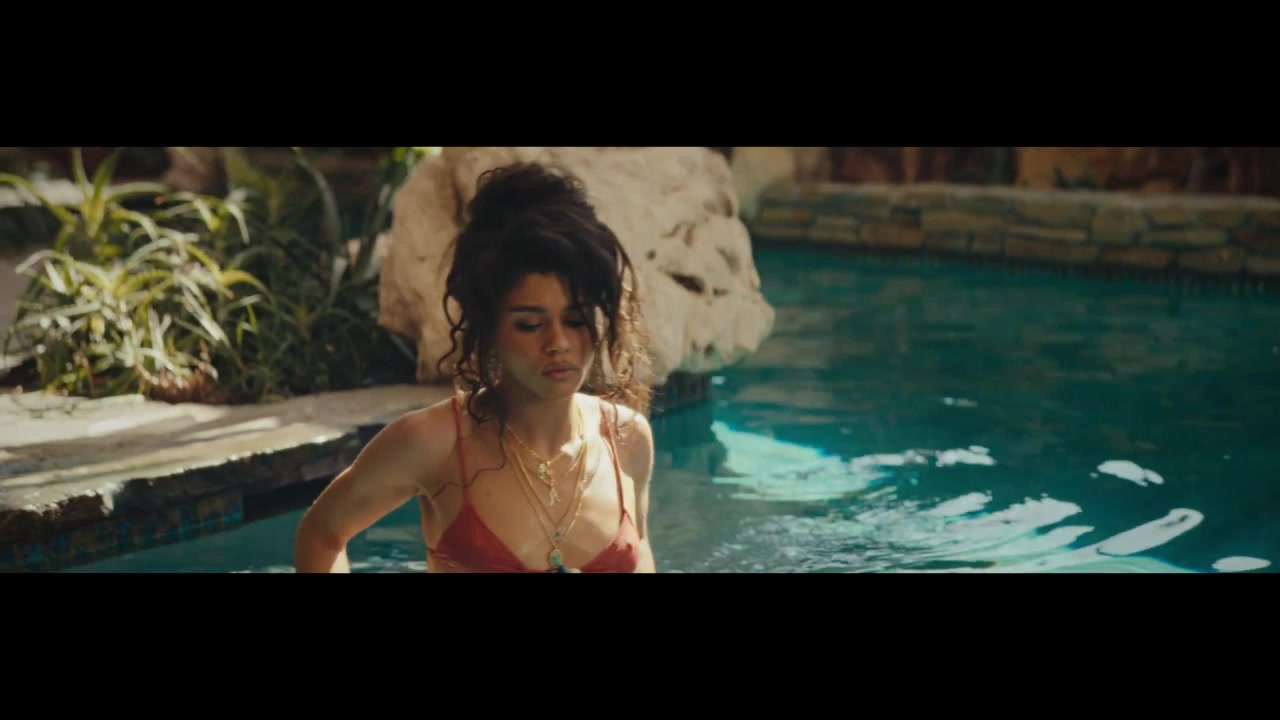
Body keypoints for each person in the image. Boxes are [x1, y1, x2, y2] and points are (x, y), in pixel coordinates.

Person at [293, 160, 657, 573]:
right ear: (489, 326)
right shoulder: (435, 442)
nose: (558, 342)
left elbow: (641, 552)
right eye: (530, 324)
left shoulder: (627, 439)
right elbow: (321, 535)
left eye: (575, 320)